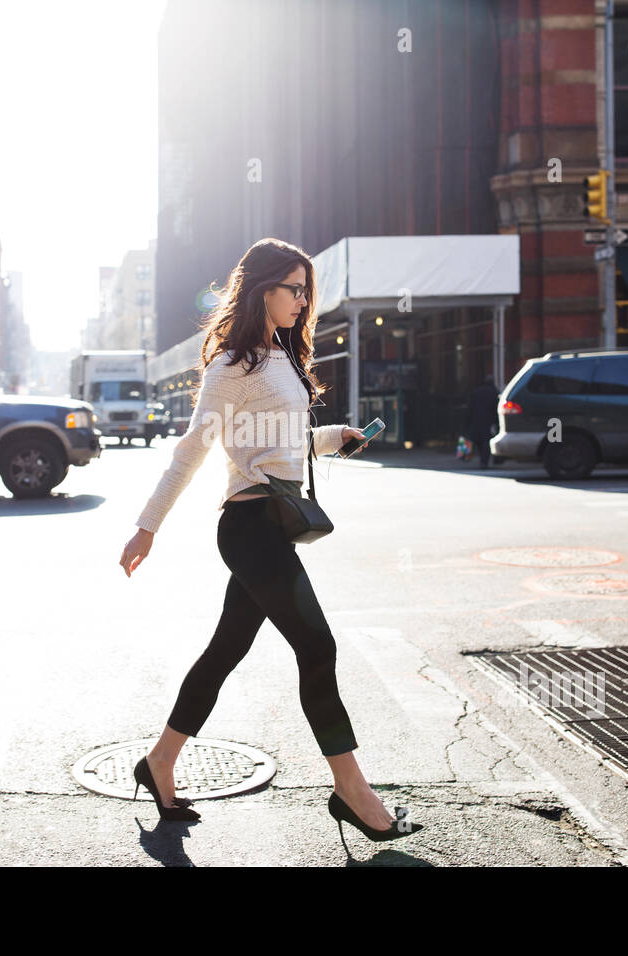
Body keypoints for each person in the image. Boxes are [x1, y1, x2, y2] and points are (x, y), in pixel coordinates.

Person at [119, 238, 422, 844]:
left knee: (226, 650)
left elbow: (281, 446)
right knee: (318, 647)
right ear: (262, 290)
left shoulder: (280, 356)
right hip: (250, 529)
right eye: (294, 288)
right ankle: (352, 792)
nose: (304, 300)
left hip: (271, 523)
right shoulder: (231, 365)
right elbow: (193, 449)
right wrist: (147, 524)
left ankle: (159, 763)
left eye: (307, 289)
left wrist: (335, 436)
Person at [465, 375, 500, 469]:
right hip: (488, 421)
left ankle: (481, 459)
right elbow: (496, 409)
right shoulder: (494, 392)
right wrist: (497, 423)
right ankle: (484, 461)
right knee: (486, 441)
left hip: (476, 420)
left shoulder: (476, 391)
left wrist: (468, 421)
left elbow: (470, 408)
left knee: (477, 440)